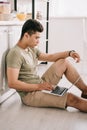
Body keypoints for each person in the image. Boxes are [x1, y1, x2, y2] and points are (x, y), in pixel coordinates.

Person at [6, 19, 87, 112]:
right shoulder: (15, 53)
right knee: (71, 98)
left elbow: (50, 57)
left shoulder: (30, 49)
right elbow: (12, 83)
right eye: (36, 38)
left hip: (39, 83)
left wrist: (70, 53)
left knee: (63, 62)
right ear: (26, 35)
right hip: (30, 95)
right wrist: (38, 87)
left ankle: (85, 90)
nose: (38, 41)